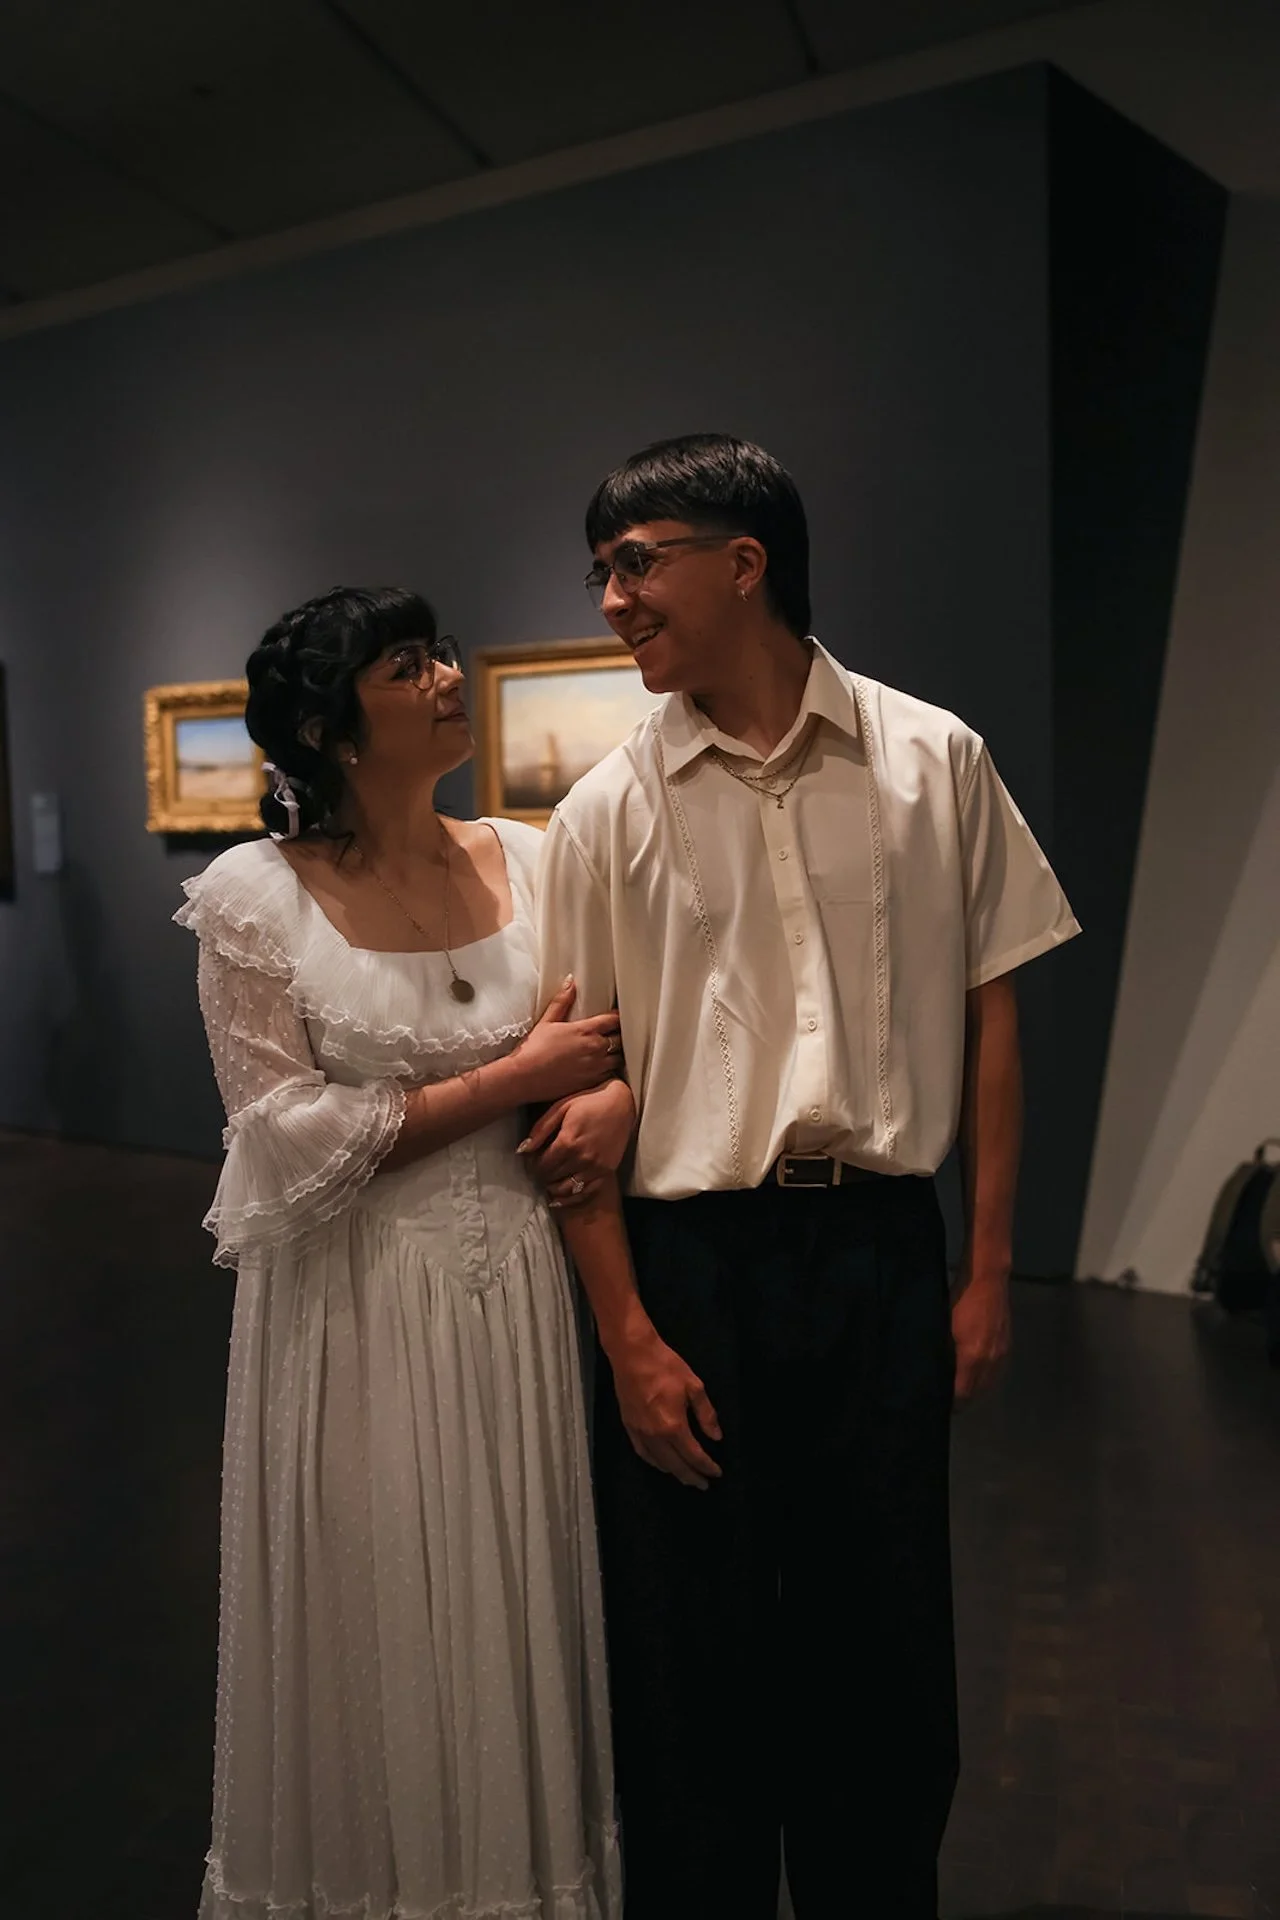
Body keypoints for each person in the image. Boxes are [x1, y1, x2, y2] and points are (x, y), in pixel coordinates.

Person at [529, 435, 1081, 1920]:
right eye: (601, 572)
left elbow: (992, 1022)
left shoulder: (932, 759)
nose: (612, 600)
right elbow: (577, 1096)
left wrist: (984, 1271)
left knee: (887, 1652)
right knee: (689, 1667)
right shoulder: (600, 817)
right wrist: (626, 1337)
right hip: (688, 1271)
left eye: (634, 561)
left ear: (744, 560)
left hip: (883, 1257)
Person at [176, 587, 629, 1920]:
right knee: (377, 1611)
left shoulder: (536, 857)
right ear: (332, 725)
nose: (445, 676)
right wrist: (519, 1077)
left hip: (515, 1292)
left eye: (438, 653)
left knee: (510, 1593)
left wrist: (601, 1091)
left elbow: (618, 1041)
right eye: (405, 662)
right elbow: (278, 1144)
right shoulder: (257, 898)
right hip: (356, 1307)